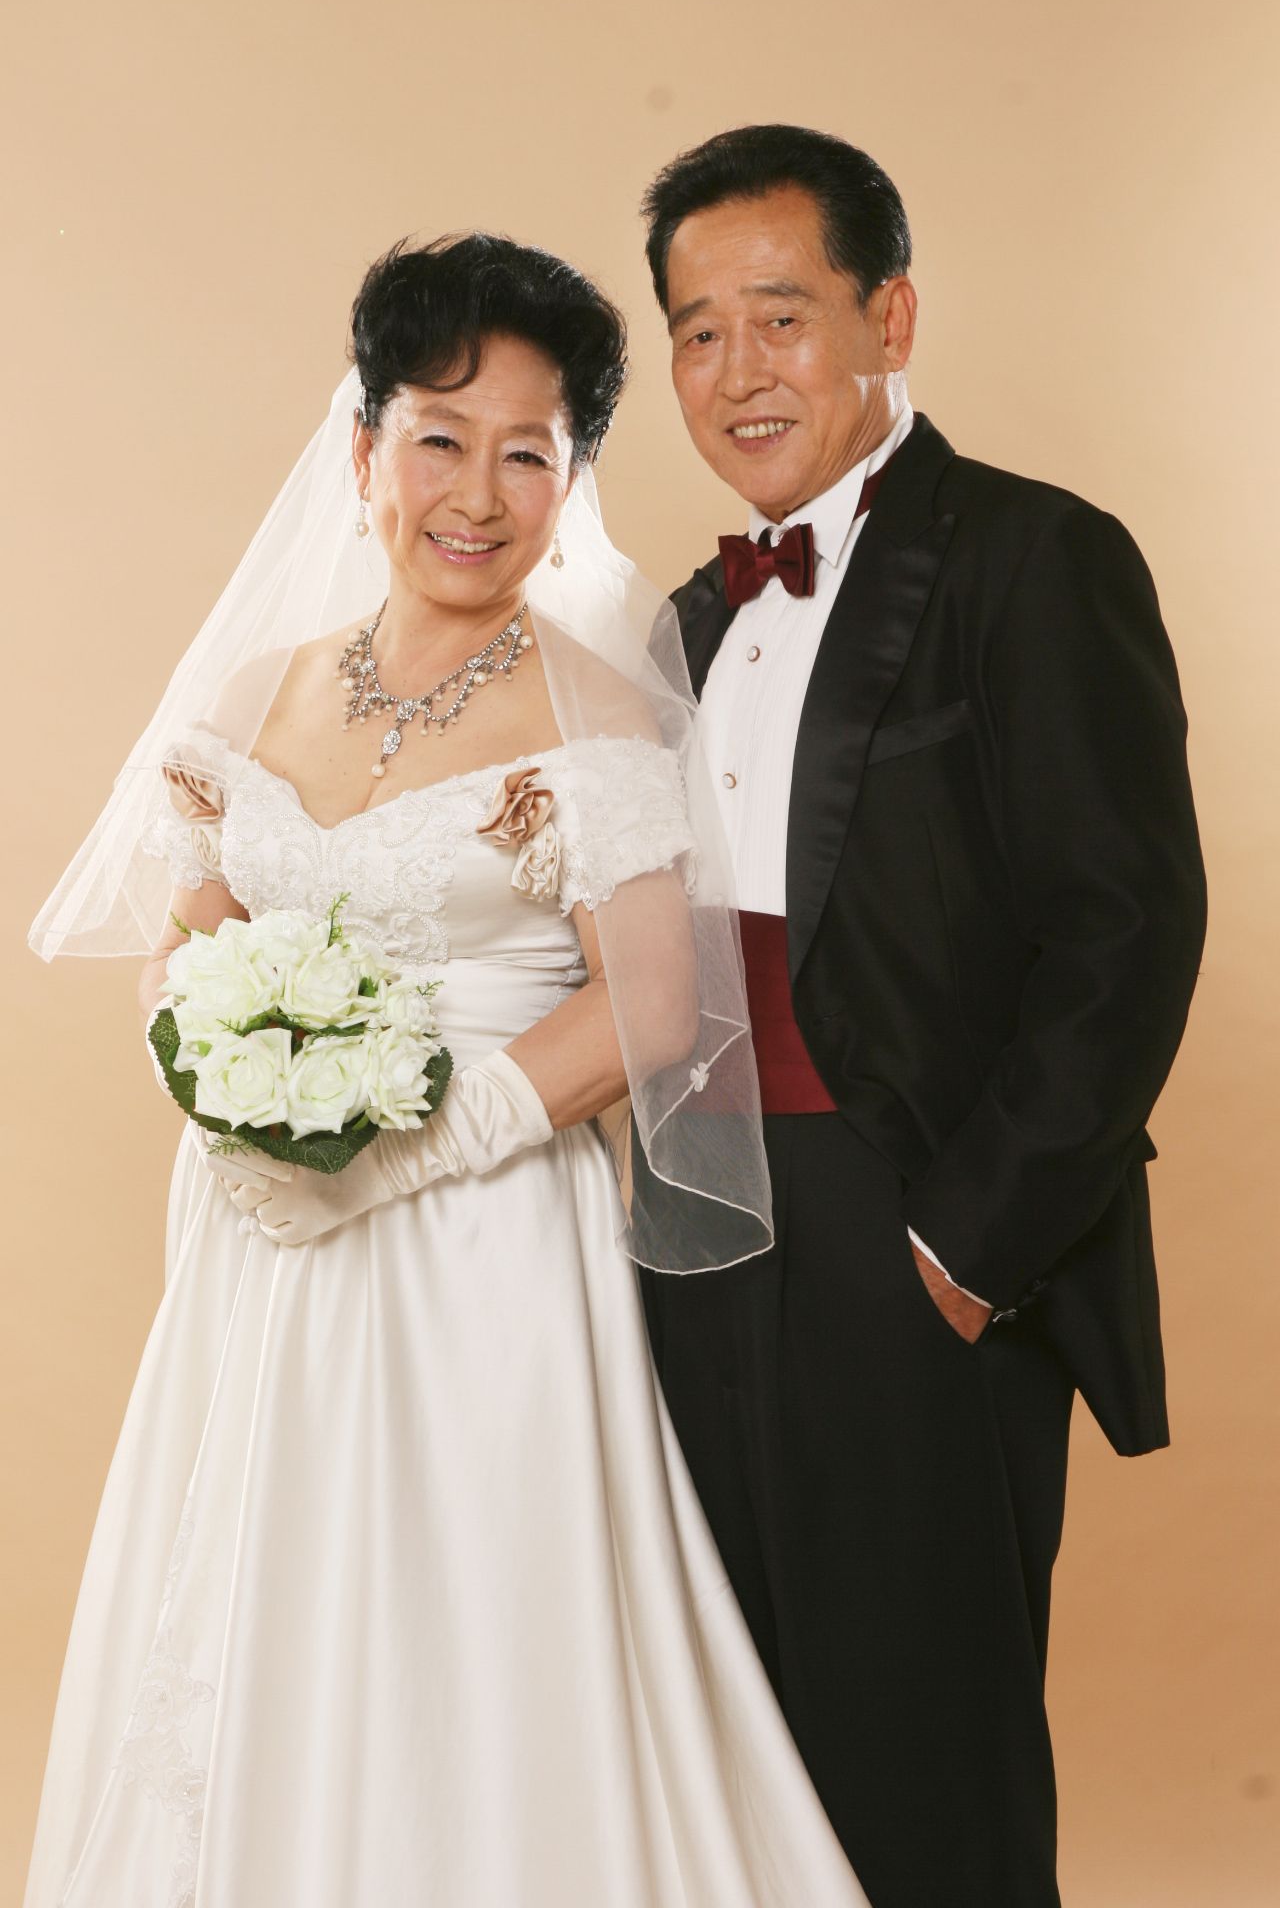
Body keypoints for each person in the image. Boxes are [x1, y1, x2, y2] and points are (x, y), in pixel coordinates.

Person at [24, 235, 871, 1907]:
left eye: (529, 454)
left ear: (572, 480)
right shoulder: (259, 692)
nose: (478, 495)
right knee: (246, 1602)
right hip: (259, 1245)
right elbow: (191, 932)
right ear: (363, 451)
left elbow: (652, 1004)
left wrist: (415, 1144)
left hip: (478, 1243)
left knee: (464, 1630)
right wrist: (227, 1087)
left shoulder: (595, 714)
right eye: (439, 438)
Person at [638, 124, 1208, 1908]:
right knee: (719, 1761)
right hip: (687, 1241)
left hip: (903, 1232)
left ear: (888, 318)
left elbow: (1126, 931)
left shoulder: (1037, 558)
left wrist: (963, 1250)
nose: (740, 369)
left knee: (922, 1767)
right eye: (699, 331)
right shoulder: (678, 622)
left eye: (781, 316)